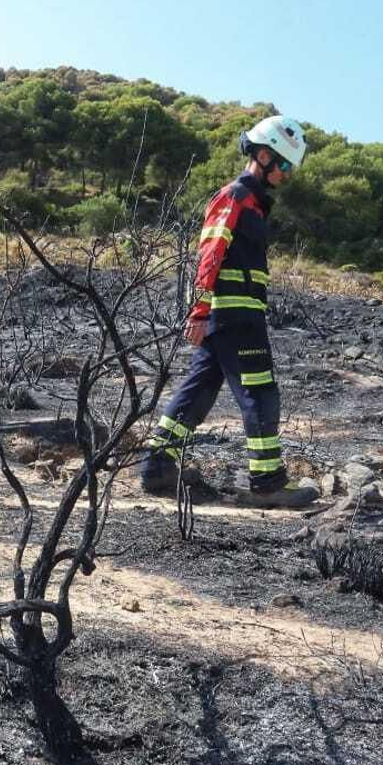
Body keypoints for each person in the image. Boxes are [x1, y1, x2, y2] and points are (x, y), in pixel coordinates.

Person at [141, 116, 319, 507]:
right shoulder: (235, 196)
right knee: (260, 394)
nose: (287, 175)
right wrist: (199, 309)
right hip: (234, 315)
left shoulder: (254, 204)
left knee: (200, 390)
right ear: (264, 155)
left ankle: (156, 467)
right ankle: (267, 482)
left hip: (236, 314)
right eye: (284, 165)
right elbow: (210, 253)